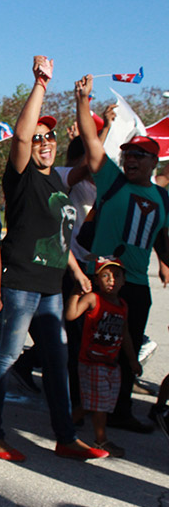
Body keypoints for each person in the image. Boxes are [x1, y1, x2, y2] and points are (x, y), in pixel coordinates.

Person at [0, 57, 106, 462]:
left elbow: (96, 160)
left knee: (55, 362)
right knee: (5, 357)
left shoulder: (61, 177)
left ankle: (65, 436)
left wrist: (83, 103)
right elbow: (19, 138)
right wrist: (40, 84)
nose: (44, 142)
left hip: (52, 288)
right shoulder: (23, 175)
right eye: (38, 138)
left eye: (49, 136)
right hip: (20, 284)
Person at [75, 74, 169, 433]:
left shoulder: (161, 197)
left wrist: (164, 262)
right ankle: (78, 406)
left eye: (139, 156)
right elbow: (90, 142)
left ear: (153, 162)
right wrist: (83, 102)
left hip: (134, 282)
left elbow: (162, 232)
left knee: (127, 350)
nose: (131, 160)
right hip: (101, 279)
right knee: (89, 345)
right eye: (128, 154)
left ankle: (120, 410)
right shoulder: (112, 181)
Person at [65, 257, 141, 457]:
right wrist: (76, 292)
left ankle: (64, 425)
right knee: (98, 404)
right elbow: (71, 315)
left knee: (96, 404)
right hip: (92, 361)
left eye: (116, 276)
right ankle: (101, 440)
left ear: (124, 281)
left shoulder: (123, 305)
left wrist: (133, 360)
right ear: (97, 280)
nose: (111, 280)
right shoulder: (94, 299)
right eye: (105, 276)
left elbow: (125, 335)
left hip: (111, 363)